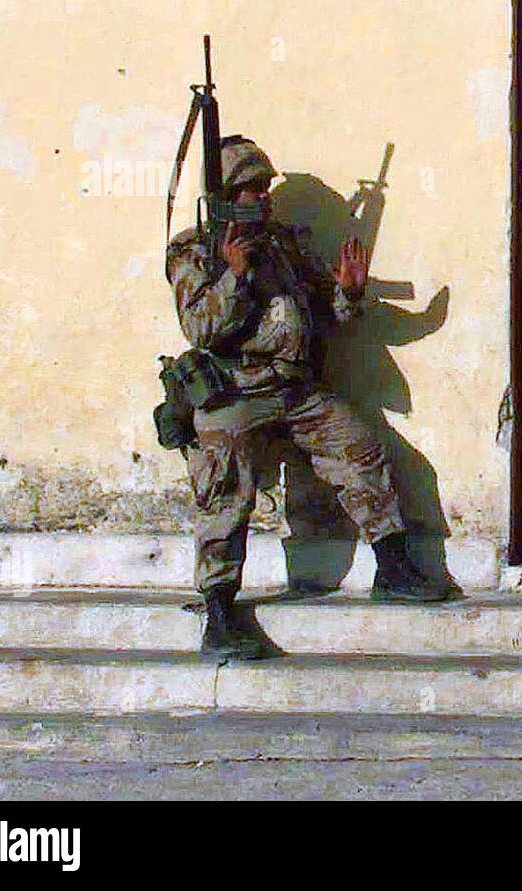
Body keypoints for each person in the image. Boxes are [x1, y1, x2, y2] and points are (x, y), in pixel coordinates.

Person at [166, 135, 454, 660]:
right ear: (225, 194)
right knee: (224, 479)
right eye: (249, 189)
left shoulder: (283, 244)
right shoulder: (194, 251)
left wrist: (348, 290)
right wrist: (233, 274)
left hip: (296, 390)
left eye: (263, 187)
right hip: (236, 391)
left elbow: (334, 317)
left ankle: (393, 568)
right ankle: (219, 608)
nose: (261, 197)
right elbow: (200, 329)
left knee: (359, 444)